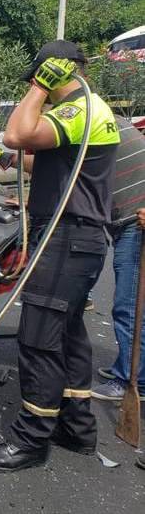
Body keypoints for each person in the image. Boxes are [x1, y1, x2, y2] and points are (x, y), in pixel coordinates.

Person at [0, 41, 120, 473]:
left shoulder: (81, 108)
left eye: (40, 76)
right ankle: (77, 427)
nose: (36, 87)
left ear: (61, 71)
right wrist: (0, 156)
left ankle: (31, 438)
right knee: (70, 334)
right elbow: (42, 163)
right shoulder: (86, 112)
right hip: (73, 238)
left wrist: (41, 86)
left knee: (38, 337)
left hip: (66, 239)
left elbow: (19, 134)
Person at [91, 115, 145, 400]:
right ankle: (129, 367)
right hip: (129, 220)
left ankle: (132, 380)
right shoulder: (107, 122)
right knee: (133, 306)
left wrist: (6, 158)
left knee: (129, 307)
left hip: (136, 224)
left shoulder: (91, 123)